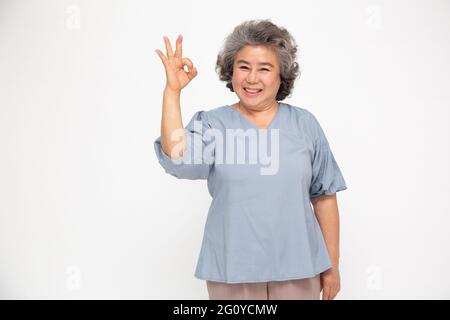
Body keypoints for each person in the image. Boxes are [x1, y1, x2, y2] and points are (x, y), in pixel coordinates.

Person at [154, 19, 347, 300]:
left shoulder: (305, 125)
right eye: (243, 67)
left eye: (264, 69)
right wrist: (172, 92)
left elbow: (324, 196)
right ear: (231, 71)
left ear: (282, 75)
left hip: (299, 267)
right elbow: (177, 156)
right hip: (233, 270)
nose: (252, 78)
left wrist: (332, 266)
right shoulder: (213, 124)